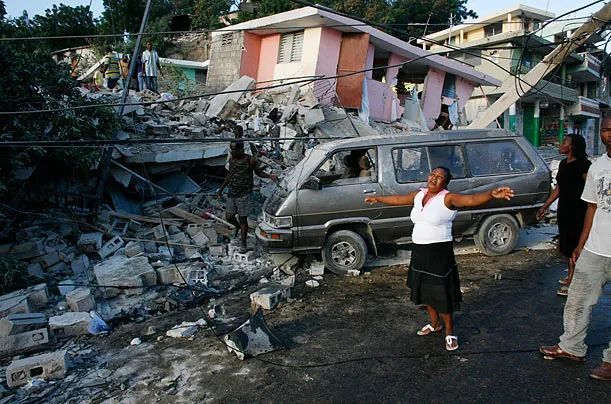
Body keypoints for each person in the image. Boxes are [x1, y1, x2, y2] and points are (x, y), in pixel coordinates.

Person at [365, 167, 514, 351]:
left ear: (445, 182)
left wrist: (491, 194)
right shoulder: (419, 195)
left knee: (442, 293)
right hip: (419, 249)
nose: (434, 178)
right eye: (433, 174)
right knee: (425, 290)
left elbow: (471, 200)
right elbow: (398, 199)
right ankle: (435, 324)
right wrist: (377, 199)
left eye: (440, 177)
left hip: (439, 252)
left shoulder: (448, 198)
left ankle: (450, 332)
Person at [539, 117, 611, 381]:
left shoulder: (586, 165)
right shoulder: (598, 167)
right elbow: (592, 207)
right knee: (577, 299)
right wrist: (581, 245)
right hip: (595, 248)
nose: (609, 134)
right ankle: (572, 347)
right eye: (605, 129)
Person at [537, 134, 591, 296]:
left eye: (565, 142)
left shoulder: (584, 165)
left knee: (575, 245)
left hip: (579, 211)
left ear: (573, 146)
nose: (561, 144)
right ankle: (570, 276)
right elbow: (559, 188)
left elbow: (591, 189)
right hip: (564, 210)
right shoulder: (563, 163)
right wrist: (545, 206)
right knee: (567, 245)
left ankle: (574, 282)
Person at [217, 141, 277, 252]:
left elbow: (258, 173)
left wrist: (270, 176)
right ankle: (237, 227)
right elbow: (230, 174)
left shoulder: (251, 160)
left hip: (244, 194)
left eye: (234, 149)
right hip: (232, 192)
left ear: (240, 150)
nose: (232, 151)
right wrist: (221, 189)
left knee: (243, 219)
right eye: (231, 149)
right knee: (229, 216)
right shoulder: (232, 160)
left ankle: (243, 245)